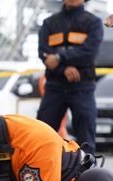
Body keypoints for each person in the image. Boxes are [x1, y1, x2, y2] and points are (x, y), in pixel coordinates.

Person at [37, 0, 102, 155]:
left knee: (86, 137)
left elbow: (89, 53)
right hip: (55, 87)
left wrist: (60, 58)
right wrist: (64, 69)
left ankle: (87, 169)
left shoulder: (93, 22)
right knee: (42, 133)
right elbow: (44, 53)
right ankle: (41, 166)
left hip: (82, 87)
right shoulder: (49, 23)